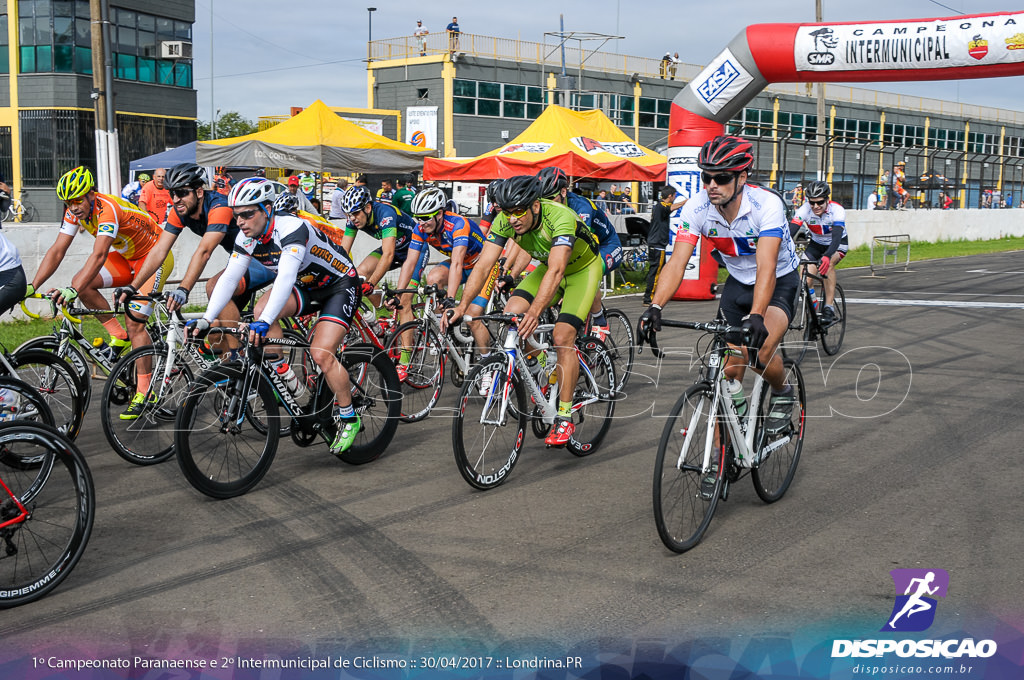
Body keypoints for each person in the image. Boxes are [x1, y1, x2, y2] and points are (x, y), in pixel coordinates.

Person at [639, 135, 800, 435]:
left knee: (760, 351)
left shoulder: (766, 205)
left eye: (721, 178)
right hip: (738, 283)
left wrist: (756, 315)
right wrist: (655, 306)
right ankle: (718, 463)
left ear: (742, 177)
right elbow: (676, 263)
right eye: (706, 177)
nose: (712, 185)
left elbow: (766, 267)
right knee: (726, 378)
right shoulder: (697, 208)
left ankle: (782, 390)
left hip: (778, 281)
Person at [191, 178, 363, 455]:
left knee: (321, 354)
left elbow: (285, 278)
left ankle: (348, 416)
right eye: (237, 215)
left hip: (339, 285)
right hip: (307, 286)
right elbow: (229, 278)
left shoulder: (291, 227)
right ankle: (283, 373)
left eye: (248, 213)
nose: (242, 221)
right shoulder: (246, 236)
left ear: (268, 209)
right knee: (261, 311)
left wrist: (261, 322)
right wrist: (206, 318)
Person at [441, 175, 605, 447]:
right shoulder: (505, 220)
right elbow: (483, 266)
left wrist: (536, 311)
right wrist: (461, 305)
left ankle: (564, 416)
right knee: (511, 317)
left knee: (563, 337)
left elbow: (557, 270)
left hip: (581, 271)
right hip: (547, 270)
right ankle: (545, 366)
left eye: (518, 211)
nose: (512, 218)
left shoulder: (560, 216)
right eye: (506, 212)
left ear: (535, 206)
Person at [34, 166, 172, 418]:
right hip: (128, 258)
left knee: (135, 323)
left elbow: (98, 256)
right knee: (82, 282)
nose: (73, 207)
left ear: (91, 195)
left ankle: (145, 391)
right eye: (68, 203)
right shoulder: (75, 212)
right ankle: (117, 335)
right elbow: (57, 250)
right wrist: (33, 286)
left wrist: (70, 290)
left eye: (77, 201)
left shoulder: (107, 209)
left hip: (154, 258)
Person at [115, 163, 274, 355]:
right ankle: (231, 379)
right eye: (172, 193)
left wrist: (184, 289)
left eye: (182, 193)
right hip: (242, 262)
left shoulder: (219, 206)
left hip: (265, 259)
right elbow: (159, 251)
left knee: (213, 286)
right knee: (215, 336)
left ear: (199, 191)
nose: (176, 199)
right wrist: (133, 287)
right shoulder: (180, 211)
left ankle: (238, 358)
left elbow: (204, 251)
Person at [390, 187, 490, 379]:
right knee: (433, 278)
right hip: (461, 264)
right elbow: (410, 262)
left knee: (472, 317)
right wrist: (398, 293)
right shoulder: (421, 228)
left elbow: (457, 263)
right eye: (418, 217)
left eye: (426, 217)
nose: (422, 222)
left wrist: (451, 299)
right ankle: (450, 331)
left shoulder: (458, 224)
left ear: (440, 214)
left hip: (482, 265)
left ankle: (488, 364)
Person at [537, 166, 623, 338]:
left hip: (607, 245)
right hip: (582, 248)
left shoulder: (580, 206)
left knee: (589, 270)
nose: (547, 204)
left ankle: (600, 322)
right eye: (542, 200)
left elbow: (585, 247)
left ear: (563, 191)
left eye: (550, 198)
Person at [338, 185, 417, 299]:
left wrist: (371, 284)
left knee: (402, 300)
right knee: (360, 276)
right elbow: (343, 253)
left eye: (355, 213)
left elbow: (388, 254)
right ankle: (384, 312)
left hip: (415, 250)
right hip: (396, 249)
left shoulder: (385, 215)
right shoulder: (353, 220)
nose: (352, 218)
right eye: (349, 214)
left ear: (368, 208)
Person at [790, 181, 847, 324]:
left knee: (827, 265)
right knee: (804, 276)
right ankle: (814, 310)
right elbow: (791, 231)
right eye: (812, 202)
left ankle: (829, 307)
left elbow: (836, 236)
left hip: (837, 243)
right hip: (816, 244)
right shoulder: (804, 210)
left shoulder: (837, 210)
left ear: (827, 199)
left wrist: (828, 256)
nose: (816, 206)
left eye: (820, 202)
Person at [643, 185, 687, 306]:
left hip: (656, 244)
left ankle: (657, 294)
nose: (675, 198)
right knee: (656, 272)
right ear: (670, 196)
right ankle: (649, 297)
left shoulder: (659, 206)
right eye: (674, 196)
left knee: (661, 271)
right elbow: (672, 207)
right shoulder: (662, 206)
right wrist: (687, 202)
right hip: (657, 245)